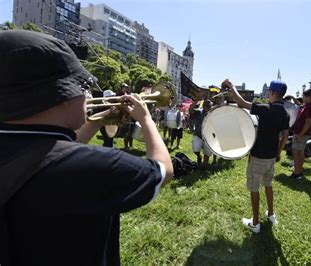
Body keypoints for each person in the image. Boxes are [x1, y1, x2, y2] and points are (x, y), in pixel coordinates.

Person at [0, 30, 173, 265]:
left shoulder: (24, 149)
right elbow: (162, 170)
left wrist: (100, 118)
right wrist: (146, 120)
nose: (87, 94)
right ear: (60, 94)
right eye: (81, 86)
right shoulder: (98, 165)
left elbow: (49, 153)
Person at [222, 79, 290, 234]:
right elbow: (285, 137)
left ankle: (255, 223)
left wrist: (232, 86)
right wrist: (278, 152)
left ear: (272, 93)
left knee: (254, 188)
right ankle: (271, 214)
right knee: (268, 184)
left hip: (258, 156)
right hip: (271, 157)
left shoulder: (265, 108)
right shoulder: (285, 113)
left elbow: (240, 103)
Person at [290, 89, 311, 180]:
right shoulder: (307, 105)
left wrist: (300, 135)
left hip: (301, 134)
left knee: (296, 152)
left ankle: (297, 173)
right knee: (300, 152)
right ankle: (299, 171)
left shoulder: (309, 108)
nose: (303, 97)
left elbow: (308, 123)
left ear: (308, 97)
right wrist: (293, 98)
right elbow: (300, 105)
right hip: (302, 134)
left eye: (304, 96)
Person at [189, 95, 213, 169]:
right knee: (195, 149)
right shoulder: (198, 112)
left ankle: (204, 166)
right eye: (207, 106)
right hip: (198, 135)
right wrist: (196, 100)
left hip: (208, 136)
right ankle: (199, 157)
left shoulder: (213, 114)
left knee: (207, 152)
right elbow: (190, 109)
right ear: (203, 106)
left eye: (210, 106)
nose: (208, 107)